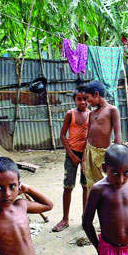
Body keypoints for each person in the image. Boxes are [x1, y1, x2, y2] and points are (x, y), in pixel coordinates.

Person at [52, 86, 90, 232]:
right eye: (79, 99)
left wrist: (85, 156)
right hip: (71, 153)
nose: (82, 102)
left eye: (85, 99)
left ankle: (85, 218)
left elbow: (91, 136)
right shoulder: (70, 114)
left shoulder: (91, 115)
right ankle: (65, 219)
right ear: (74, 100)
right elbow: (62, 135)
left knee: (86, 186)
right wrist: (72, 155)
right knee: (68, 186)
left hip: (86, 154)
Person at [82, 80, 122, 191]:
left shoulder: (112, 110)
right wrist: (84, 156)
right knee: (92, 184)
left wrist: (116, 156)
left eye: (88, 97)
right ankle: (96, 205)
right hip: (90, 151)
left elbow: (117, 134)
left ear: (96, 94)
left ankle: (108, 207)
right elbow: (88, 135)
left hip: (104, 153)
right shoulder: (91, 114)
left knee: (108, 183)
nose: (87, 101)